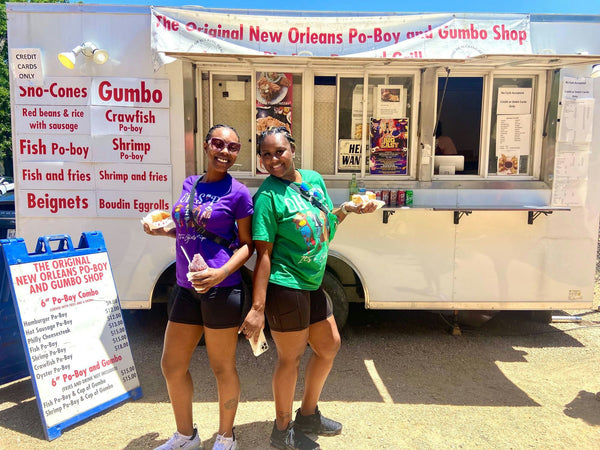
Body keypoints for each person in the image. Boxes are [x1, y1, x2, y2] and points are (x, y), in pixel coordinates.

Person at [240, 126, 376, 450]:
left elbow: (325, 227)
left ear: (293, 149)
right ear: (260, 159)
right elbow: (264, 254)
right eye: (266, 154)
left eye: (279, 151)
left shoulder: (313, 180)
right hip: (285, 285)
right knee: (291, 358)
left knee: (328, 344)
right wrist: (258, 309)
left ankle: (309, 415)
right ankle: (281, 430)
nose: (273, 159)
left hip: (312, 282)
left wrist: (347, 210)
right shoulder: (267, 198)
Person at [144, 124, 254, 450]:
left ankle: (226, 436)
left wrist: (220, 273)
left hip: (221, 289)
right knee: (172, 365)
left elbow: (247, 245)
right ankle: (186, 436)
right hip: (185, 287)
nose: (224, 152)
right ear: (206, 145)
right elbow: (186, 229)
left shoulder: (239, 192)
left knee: (222, 367)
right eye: (218, 144)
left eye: (232, 147)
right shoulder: (190, 184)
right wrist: (160, 230)